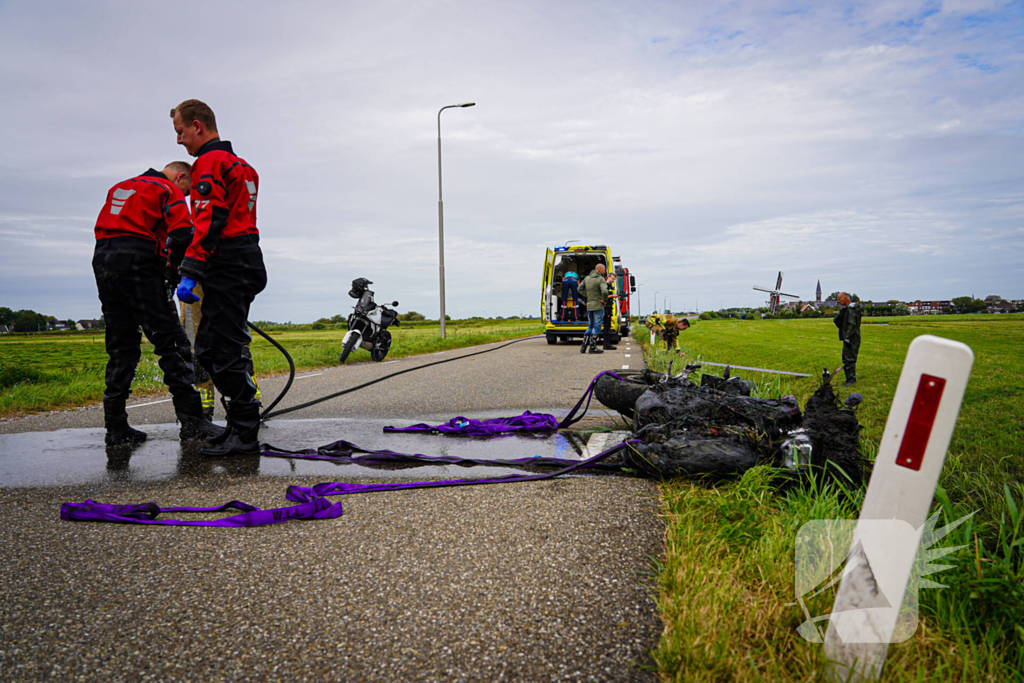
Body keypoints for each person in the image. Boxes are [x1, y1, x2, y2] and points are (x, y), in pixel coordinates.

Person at [92, 162, 225, 446]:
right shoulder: (166, 188)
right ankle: (193, 423)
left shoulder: (120, 187)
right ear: (182, 177)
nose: (187, 196)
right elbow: (182, 234)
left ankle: (115, 427)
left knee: (121, 346)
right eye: (187, 190)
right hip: (139, 262)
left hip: (103, 261)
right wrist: (175, 273)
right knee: (173, 345)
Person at [171, 99, 267, 456]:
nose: (179, 140)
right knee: (210, 349)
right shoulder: (244, 166)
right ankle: (237, 427)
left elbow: (210, 219)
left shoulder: (209, 163)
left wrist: (190, 271)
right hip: (243, 259)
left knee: (224, 351)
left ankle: (245, 433)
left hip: (229, 263)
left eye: (181, 132)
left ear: (198, 125)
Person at [580, 264, 609, 354]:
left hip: (589, 304)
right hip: (598, 305)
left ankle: (583, 346)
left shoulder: (587, 278)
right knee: (597, 326)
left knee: (590, 325)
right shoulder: (600, 279)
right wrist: (604, 300)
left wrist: (587, 296)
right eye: (604, 270)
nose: (604, 271)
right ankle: (592, 347)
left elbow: (579, 288)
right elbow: (604, 291)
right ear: (600, 270)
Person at [834, 292, 862, 386]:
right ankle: (849, 379)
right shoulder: (849, 309)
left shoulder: (851, 310)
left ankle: (851, 380)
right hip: (851, 337)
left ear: (845, 298)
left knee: (849, 358)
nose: (838, 301)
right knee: (846, 357)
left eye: (839, 299)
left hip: (851, 337)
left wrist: (848, 337)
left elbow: (852, 324)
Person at [600, 271, 618, 350]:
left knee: (608, 326)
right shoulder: (605, 285)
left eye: (614, 279)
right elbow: (603, 296)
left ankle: (607, 343)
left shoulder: (610, 286)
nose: (613, 280)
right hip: (605, 308)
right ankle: (606, 344)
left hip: (609, 307)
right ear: (608, 277)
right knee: (606, 326)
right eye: (612, 278)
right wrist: (612, 296)